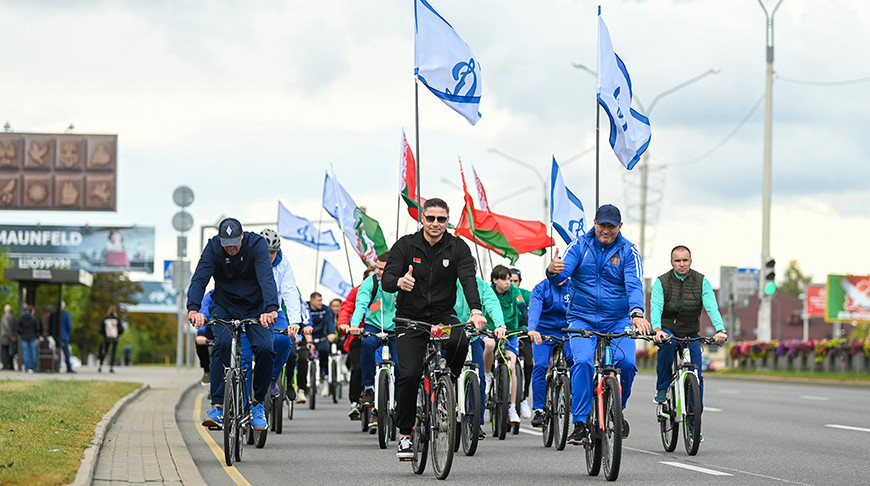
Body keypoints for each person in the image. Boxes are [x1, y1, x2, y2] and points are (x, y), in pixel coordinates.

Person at [381, 197, 487, 459]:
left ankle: (446, 385)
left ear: (447, 221)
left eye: (441, 219)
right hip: (410, 319)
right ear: (422, 219)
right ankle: (405, 434)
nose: (436, 223)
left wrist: (475, 310)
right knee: (409, 374)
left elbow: (468, 279)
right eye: (431, 218)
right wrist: (399, 283)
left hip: (442, 316)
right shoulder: (406, 245)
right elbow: (386, 279)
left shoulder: (458, 247)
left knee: (461, 340)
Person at [546, 204, 651, 445]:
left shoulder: (628, 251)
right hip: (582, 317)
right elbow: (562, 274)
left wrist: (637, 313)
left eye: (611, 226)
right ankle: (581, 422)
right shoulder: (580, 246)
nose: (606, 230)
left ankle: (617, 408)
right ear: (594, 223)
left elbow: (634, 285)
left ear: (619, 227)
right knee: (582, 362)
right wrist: (552, 271)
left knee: (626, 363)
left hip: (618, 319)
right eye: (602, 225)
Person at [187, 217, 279, 432]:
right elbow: (200, 279)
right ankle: (217, 406)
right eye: (227, 245)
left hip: (256, 307)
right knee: (222, 345)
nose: (231, 249)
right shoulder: (213, 248)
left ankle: (257, 405)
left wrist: (271, 308)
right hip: (224, 306)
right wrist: (193, 308)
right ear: (220, 241)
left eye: (235, 244)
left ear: (242, 237)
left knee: (266, 349)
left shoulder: (256, 245)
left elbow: (267, 278)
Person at [651, 245, 727, 415]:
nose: (682, 264)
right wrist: (657, 329)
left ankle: (693, 424)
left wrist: (720, 329)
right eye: (677, 261)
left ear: (691, 261)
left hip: (691, 332)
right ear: (671, 262)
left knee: (697, 377)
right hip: (668, 330)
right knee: (667, 345)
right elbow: (655, 306)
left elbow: (711, 307)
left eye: (685, 260)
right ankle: (662, 388)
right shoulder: (661, 282)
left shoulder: (702, 281)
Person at [454, 262, 505, 439]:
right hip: (451, 336)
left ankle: (476, 422)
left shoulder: (481, 285)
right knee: (444, 373)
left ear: (475, 270)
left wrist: (499, 324)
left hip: (473, 337)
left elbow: (492, 303)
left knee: (479, 377)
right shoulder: (449, 282)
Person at [351, 252, 398, 423]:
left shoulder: (400, 282)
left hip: (396, 327)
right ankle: (369, 388)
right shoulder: (370, 282)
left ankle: (400, 397)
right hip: (375, 325)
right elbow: (361, 304)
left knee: (401, 364)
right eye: (377, 267)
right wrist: (355, 325)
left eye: (383, 269)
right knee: (367, 343)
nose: (378, 272)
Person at [259, 229, 303, 400]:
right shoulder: (249, 260)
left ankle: (272, 378)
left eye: (273, 252)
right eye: (266, 252)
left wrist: (294, 321)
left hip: (274, 310)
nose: (270, 255)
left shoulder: (283, 263)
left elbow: (290, 291)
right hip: (251, 310)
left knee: (285, 340)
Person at [526, 276, 572, 427]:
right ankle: (539, 409)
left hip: (568, 330)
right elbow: (534, 310)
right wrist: (532, 329)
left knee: (576, 363)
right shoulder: (541, 288)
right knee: (540, 366)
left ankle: (573, 398)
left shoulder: (575, 286)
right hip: (543, 332)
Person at [484, 265, 526, 425]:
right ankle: (487, 375)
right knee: (488, 346)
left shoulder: (514, 291)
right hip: (491, 329)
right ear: (495, 280)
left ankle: (512, 408)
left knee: (511, 365)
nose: (508, 282)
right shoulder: (488, 291)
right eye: (504, 279)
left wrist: (527, 324)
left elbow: (522, 307)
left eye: (509, 279)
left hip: (510, 332)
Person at [338, 267, 375, 420]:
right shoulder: (356, 292)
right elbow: (346, 309)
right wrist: (344, 325)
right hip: (357, 336)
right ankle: (354, 402)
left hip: (381, 335)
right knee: (358, 367)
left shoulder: (388, 289)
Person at [300, 292, 336, 398]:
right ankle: (304, 386)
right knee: (303, 358)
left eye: (321, 300)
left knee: (325, 351)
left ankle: (324, 375)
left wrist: (332, 333)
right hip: (306, 338)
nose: (321, 302)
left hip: (321, 338)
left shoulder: (325, 309)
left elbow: (330, 322)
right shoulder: (305, 308)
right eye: (318, 300)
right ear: (312, 300)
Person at [508, 267, 533, 419]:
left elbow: (533, 309)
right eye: (509, 280)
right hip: (505, 332)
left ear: (520, 282)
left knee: (529, 363)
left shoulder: (525, 294)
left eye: (514, 281)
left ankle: (523, 398)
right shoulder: (502, 293)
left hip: (523, 332)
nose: (511, 284)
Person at [98, 306, 124, 373]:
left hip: (107, 338)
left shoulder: (105, 319)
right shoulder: (117, 319)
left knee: (104, 351)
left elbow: (101, 330)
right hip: (115, 338)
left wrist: (105, 334)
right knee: (113, 352)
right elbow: (121, 329)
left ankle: (100, 365)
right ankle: (111, 367)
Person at [17, 305, 41, 373]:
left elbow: (18, 329)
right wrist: (37, 335)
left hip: (24, 337)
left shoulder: (21, 318)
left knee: (25, 353)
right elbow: (37, 328)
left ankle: (26, 367)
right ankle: (33, 367)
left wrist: (22, 333)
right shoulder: (33, 318)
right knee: (33, 352)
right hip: (32, 337)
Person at [51, 301, 74, 373]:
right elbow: (69, 326)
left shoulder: (53, 315)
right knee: (66, 353)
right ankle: (68, 367)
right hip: (64, 336)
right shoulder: (66, 315)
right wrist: (68, 334)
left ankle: (55, 366)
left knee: (55, 352)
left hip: (55, 336)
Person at [1, 304, 17, 370]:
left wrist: (11, 335)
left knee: (4, 351)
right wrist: (13, 335)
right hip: (11, 337)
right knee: (11, 352)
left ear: (6, 310)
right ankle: (11, 365)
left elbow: (6, 326)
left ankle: (5, 365)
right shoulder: (13, 317)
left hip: (5, 336)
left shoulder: (5, 317)